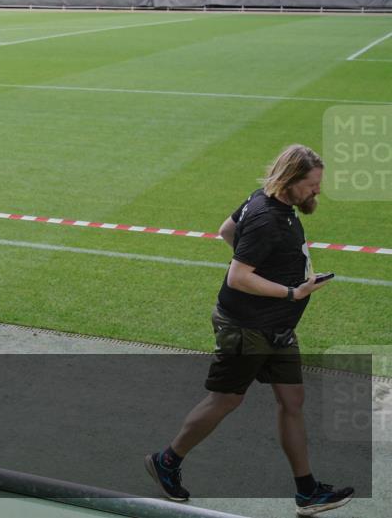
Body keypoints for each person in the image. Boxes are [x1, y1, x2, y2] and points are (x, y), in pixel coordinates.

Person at [145, 145, 353, 516]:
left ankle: (307, 492)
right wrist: (290, 292)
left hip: (277, 326)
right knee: (226, 399)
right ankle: (167, 460)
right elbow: (238, 276)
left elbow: (226, 230)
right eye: (311, 184)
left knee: (292, 400)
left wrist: (271, 273)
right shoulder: (265, 218)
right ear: (289, 180)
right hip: (247, 326)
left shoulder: (269, 201)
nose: (317, 191)